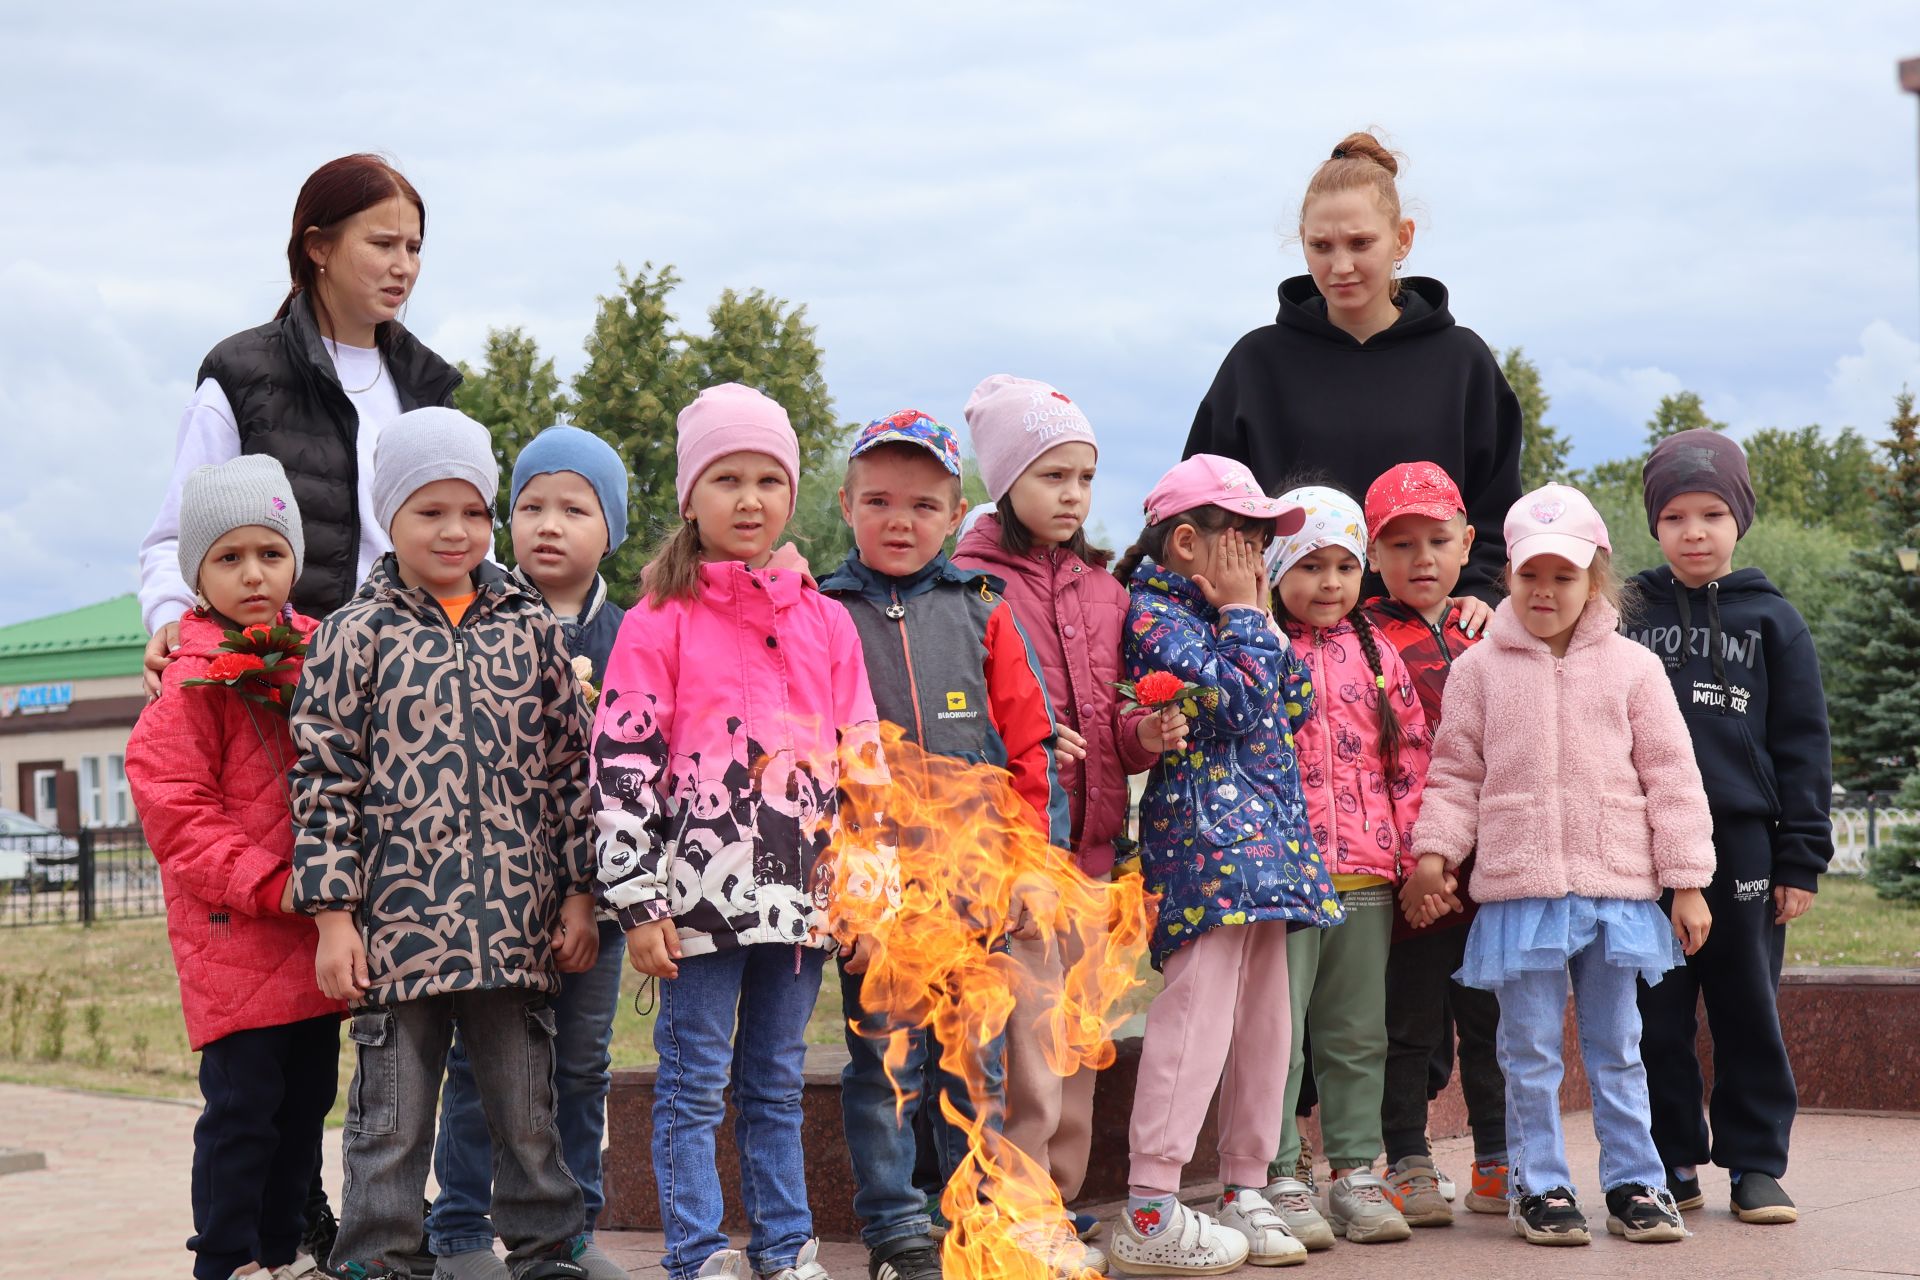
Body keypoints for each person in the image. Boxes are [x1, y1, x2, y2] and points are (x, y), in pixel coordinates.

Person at [290, 407, 597, 1280]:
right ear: (390, 515)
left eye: (473, 511)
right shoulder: (355, 633)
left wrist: (579, 894)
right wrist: (332, 919)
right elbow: (321, 782)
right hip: (397, 933)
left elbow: (572, 768)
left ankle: (548, 1247)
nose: (456, 531)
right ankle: (378, 1257)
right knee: (390, 1118)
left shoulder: (529, 624)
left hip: (515, 924)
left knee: (527, 1111)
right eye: (431, 511)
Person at [593, 384, 878, 1280]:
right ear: (691, 497)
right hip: (696, 908)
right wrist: (636, 902)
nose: (748, 500)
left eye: (767, 479)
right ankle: (698, 1252)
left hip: (800, 909)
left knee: (777, 1086)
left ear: (792, 494)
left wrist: (865, 893)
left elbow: (863, 765)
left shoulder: (827, 622)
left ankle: (787, 1249)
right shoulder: (658, 621)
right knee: (691, 1087)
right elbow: (622, 764)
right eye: (726, 479)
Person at [1404, 483, 1716, 1248]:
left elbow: (1672, 776)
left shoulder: (1635, 669)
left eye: (1564, 576)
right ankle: (1540, 1186)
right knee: (1529, 1051)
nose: (1545, 592)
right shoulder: (1478, 670)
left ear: (1596, 577)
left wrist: (1688, 881)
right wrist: (1434, 855)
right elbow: (1454, 774)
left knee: (1618, 1048)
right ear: (1506, 572)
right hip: (1521, 893)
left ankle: (1636, 1183)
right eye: (1529, 575)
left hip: (1616, 891)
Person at [818, 409, 1074, 1280]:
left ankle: (966, 1216)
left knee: (974, 1064)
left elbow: (1031, 750)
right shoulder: (820, 614)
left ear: (955, 512)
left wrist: (1032, 875)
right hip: (875, 886)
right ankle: (894, 1229)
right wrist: (837, 887)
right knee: (887, 1065)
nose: (901, 521)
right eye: (880, 501)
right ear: (846, 504)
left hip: (978, 883)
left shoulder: (985, 613)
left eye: (924, 505)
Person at [951, 376, 1177, 1244]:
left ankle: (1063, 1200)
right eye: (1052, 476)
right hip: (1019, 855)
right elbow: (963, 716)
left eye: (1084, 477)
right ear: (1006, 481)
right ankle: (1019, 1205)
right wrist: (1029, 740)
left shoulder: (1102, 590)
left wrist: (1139, 736)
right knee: (1028, 1051)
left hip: (1098, 852)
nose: (1073, 495)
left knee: (1084, 1040)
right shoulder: (969, 585)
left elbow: (1112, 720)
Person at [1108, 454, 1342, 1276]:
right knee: (1193, 1025)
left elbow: (1295, 704)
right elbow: (1235, 706)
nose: (1256, 557)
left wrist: (1254, 617)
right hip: (1205, 859)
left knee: (1266, 1030)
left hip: (1270, 857)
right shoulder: (1153, 617)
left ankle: (1246, 1184)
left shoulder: (1237, 613)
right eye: (1243, 537)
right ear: (1183, 542)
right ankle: (1150, 1202)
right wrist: (1247, 616)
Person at [125, 457, 343, 1280]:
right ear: (196, 574)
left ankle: (279, 1255)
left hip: (314, 933)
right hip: (238, 935)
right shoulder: (188, 682)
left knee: (305, 1105)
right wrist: (268, 881)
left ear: (293, 559)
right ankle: (223, 1260)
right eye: (228, 558)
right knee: (243, 1111)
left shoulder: (322, 656)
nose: (253, 574)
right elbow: (179, 813)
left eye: (270, 553)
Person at [429, 426, 635, 1280]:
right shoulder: (472, 622)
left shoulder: (634, 635)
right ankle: (459, 1227)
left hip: (602, 895)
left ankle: (568, 1230)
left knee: (579, 1069)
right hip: (495, 895)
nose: (549, 524)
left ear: (612, 530)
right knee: (482, 1067)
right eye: (529, 505)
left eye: (575, 508)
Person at [141, 153, 461, 695]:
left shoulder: (431, 387)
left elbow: (472, 540)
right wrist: (170, 619)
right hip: (280, 680)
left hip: (416, 680)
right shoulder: (242, 376)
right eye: (382, 244)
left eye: (413, 249)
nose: (403, 265)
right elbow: (178, 532)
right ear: (318, 247)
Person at [1184, 129, 1521, 617]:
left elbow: (1497, 509)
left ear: (1402, 237)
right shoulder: (1255, 364)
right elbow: (1205, 509)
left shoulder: (1462, 362)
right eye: (1321, 246)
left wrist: (1484, 594)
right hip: (1285, 641)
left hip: (1432, 639)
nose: (1341, 265)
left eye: (1360, 243)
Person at [1628, 430, 1833, 1225]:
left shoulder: (1773, 620)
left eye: (1712, 513)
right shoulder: (1628, 613)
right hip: (1642, 848)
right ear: (1655, 525)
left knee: (1748, 1006)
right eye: (1676, 515)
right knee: (1656, 1014)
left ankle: (1754, 1165)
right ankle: (1669, 1160)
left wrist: (1801, 858)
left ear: (1739, 517)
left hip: (1743, 844)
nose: (1695, 532)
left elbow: (1804, 743)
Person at [1261, 484, 1429, 1249]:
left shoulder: (1378, 653)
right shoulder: (1260, 645)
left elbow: (1411, 762)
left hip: (1365, 877)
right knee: (1279, 1035)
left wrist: (1416, 852)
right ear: (1274, 567)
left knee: (1356, 1033)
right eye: (1309, 565)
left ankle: (1357, 1171)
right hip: (1282, 882)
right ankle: (1276, 1173)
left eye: (1344, 566)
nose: (1329, 583)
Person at [1359, 463, 1509, 1228]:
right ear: (1371, 555)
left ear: (1467, 543)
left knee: (1491, 1024)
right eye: (1401, 543)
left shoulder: (1492, 630)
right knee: (1408, 1024)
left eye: (1438, 540)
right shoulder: (1359, 636)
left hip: (1491, 875)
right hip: (1409, 875)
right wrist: (1420, 864)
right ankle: (1408, 1162)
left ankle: (1498, 1161)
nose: (1422, 558)